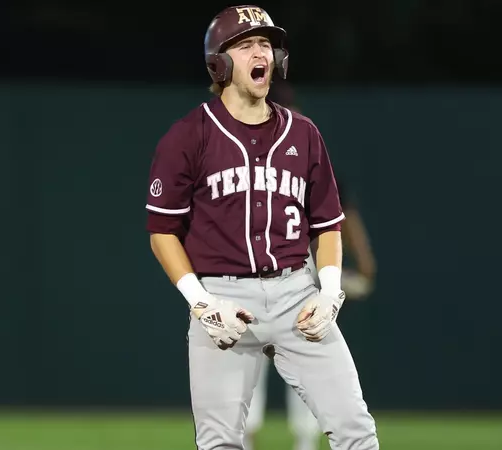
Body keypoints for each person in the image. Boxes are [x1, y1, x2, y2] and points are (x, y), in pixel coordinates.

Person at [144, 5, 379, 450]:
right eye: (247, 44)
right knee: (219, 442)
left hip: (297, 293)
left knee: (356, 430)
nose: (262, 53)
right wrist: (201, 301)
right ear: (220, 62)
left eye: (267, 45)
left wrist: (328, 291)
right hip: (222, 296)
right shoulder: (188, 135)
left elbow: (328, 224)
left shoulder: (304, 133)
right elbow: (162, 230)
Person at [243, 81, 378, 450]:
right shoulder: (253, 156)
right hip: (269, 277)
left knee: (279, 366)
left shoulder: (306, 156)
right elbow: (344, 218)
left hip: (295, 279)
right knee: (265, 366)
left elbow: (340, 217)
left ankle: (293, 442)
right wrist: (363, 264)